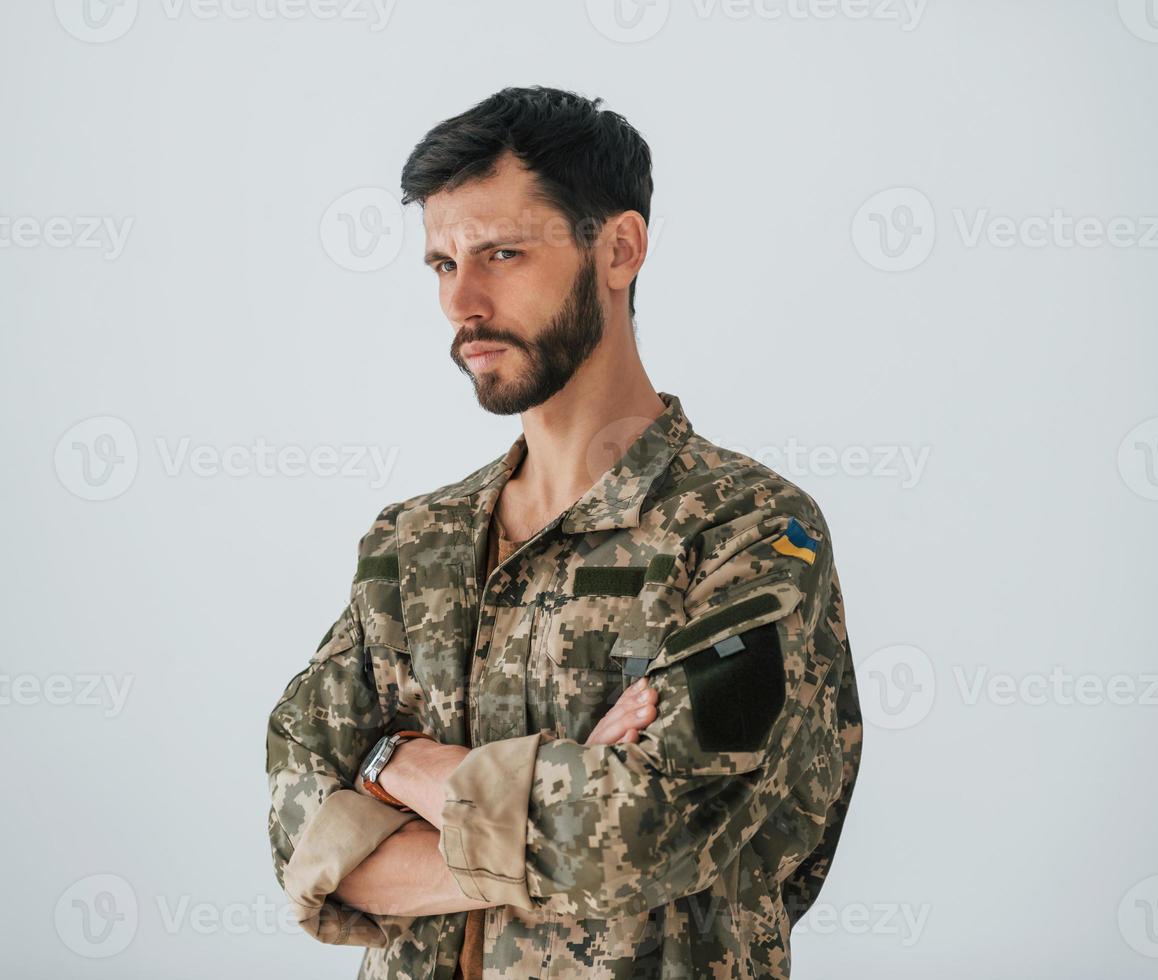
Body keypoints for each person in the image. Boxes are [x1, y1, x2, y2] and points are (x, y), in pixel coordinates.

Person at [266, 85, 863, 980]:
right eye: (440, 264)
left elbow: (639, 835)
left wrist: (393, 773)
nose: (461, 301)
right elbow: (302, 832)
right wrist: (563, 786)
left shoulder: (750, 531)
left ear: (618, 249)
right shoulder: (411, 546)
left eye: (501, 253)